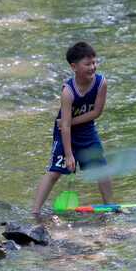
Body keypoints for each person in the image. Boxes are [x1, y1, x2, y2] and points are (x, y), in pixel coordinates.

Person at [31, 42, 112, 221]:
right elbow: (65, 128)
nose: (92, 67)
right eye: (87, 64)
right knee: (55, 171)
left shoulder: (101, 83)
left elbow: (96, 112)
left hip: (86, 130)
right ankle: (35, 211)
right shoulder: (68, 91)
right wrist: (69, 155)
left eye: (94, 63)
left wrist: (70, 121)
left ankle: (110, 206)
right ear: (74, 67)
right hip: (65, 133)